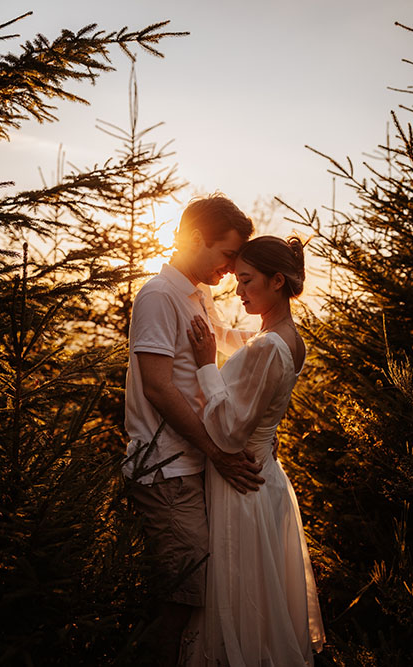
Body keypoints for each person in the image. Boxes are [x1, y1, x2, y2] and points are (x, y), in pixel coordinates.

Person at [122, 194, 265, 667]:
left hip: (192, 464)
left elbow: (225, 345)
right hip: (165, 468)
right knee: (183, 595)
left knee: (194, 591)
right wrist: (217, 452)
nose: (231, 265)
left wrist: (278, 336)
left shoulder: (197, 294)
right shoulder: (159, 297)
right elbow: (159, 388)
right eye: (226, 254)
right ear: (195, 239)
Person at [183, 235, 326, 666]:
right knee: (258, 598)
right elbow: (241, 343)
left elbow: (228, 432)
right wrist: (206, 314)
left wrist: (207, 364)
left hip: (243, 483)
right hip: (264, 477)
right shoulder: (278, 335)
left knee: (242, 598)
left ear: (277, 280)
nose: (238, 290)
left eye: (246, 281)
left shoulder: (272, 345)